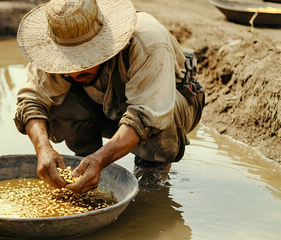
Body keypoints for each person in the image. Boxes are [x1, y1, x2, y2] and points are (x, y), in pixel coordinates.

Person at [14, 0, 204, 193]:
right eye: (69, 61)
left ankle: (151, 171)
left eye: (85, 58)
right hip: (107, 107)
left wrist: (102, 159)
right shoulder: (54, 45)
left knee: (159, 118)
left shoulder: (147, 40)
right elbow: (31, 102)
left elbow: (149, 113)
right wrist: (43, 149)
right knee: (54, 103)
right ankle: (85, 163)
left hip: (169, 105)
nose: (75, 71)